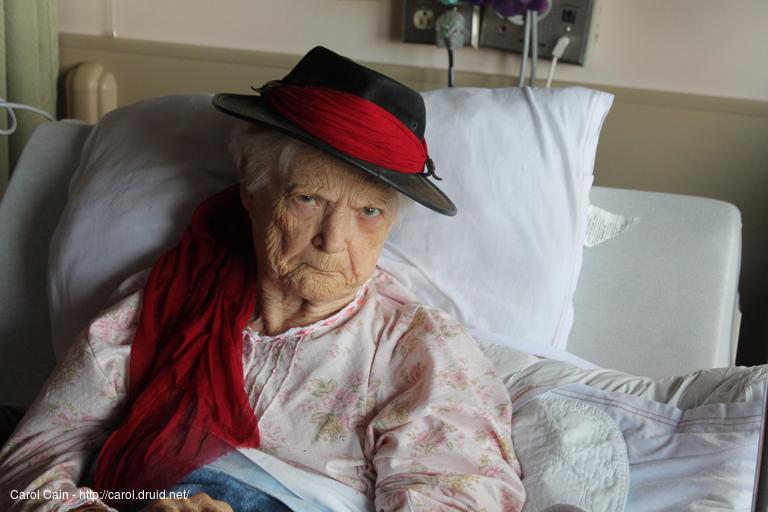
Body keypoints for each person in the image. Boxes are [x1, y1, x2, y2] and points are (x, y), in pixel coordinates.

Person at [0, 47, 525, 511]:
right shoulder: (163, 299)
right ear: (252, 188)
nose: (332, 239)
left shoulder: (418, 351)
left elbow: (458, 498)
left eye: (368, 211)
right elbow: (29, 463)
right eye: (308, 199)